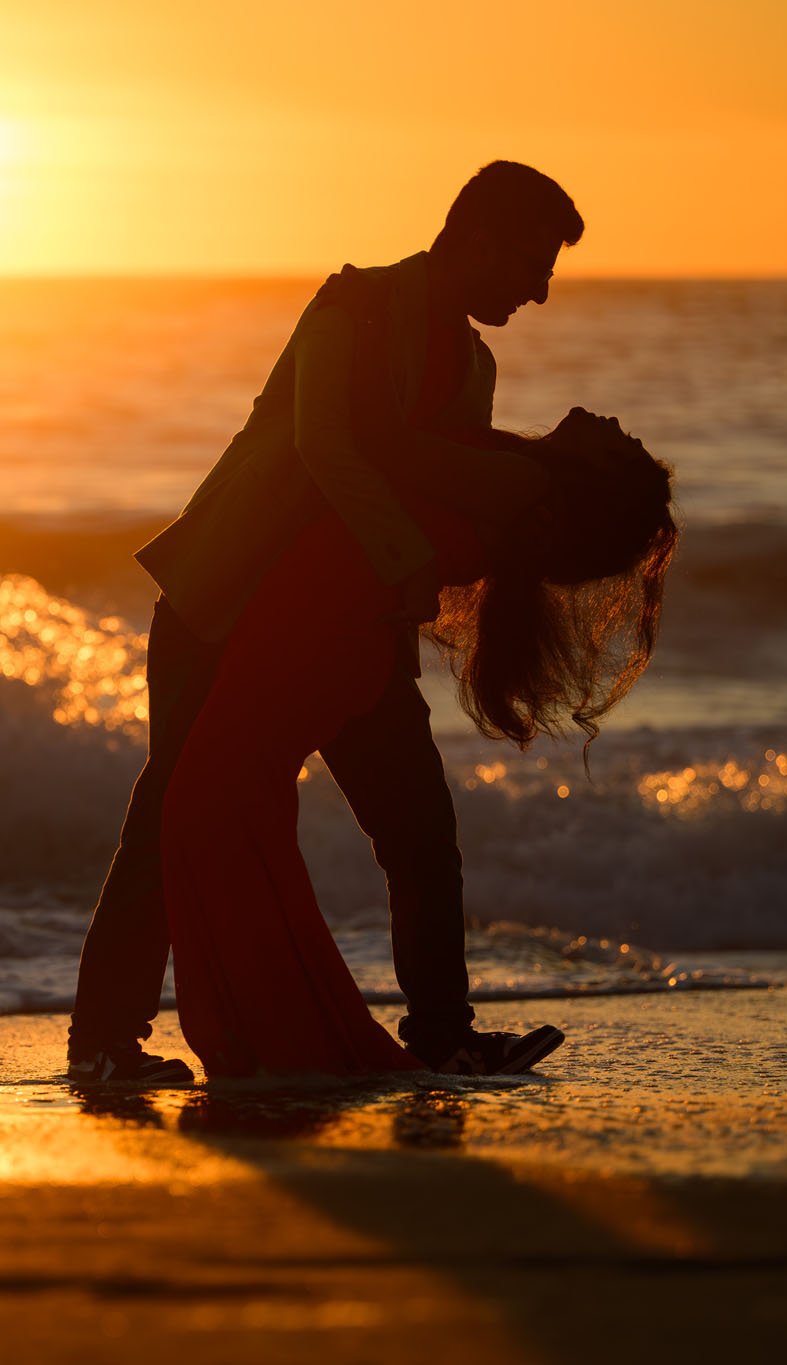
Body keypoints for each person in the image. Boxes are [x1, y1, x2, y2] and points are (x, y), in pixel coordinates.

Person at [67, 161, 592, 1086]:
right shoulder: (350, 308)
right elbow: (328, 447)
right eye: (533, 263)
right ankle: (106, 1041)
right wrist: (405, 565)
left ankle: (442, 1033)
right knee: (170, 814)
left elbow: (442, 481)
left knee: (420, 826)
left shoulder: (474, 365)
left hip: (350, 632)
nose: (540, 290)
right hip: (222, 605)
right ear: (477, 238)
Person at [162, 409, 676, 1078]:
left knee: (236, 811)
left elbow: (373, 441)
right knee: (342, 826)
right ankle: (395, 1032)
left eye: (625, 443)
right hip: (342, 632)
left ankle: (299, 1031)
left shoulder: (517, 482)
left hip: (323, 628)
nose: (615, 420)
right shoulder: (513, 476)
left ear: (594, 478)